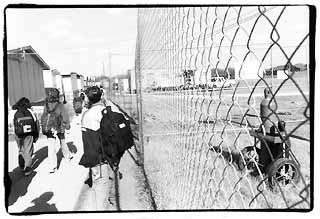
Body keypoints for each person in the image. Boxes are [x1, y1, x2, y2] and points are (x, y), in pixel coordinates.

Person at [79, 86, 114, 210]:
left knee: (97, 186)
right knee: (101, 189)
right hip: (100, 158)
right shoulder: (101, 112)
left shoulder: (87, 113)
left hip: (92, 156)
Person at [40, 88, 73, 174]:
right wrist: (67, 126)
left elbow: (43, 116)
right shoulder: (60, 105)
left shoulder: (46, 105)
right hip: (59, 127)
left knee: (51, 147)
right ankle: (67, 157)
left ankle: (52, 167)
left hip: (49, 128)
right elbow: (65, 117)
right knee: (62, 142)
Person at [12, 97, 39, 176]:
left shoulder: (14, 111)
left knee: (21, 149)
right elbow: (36, 123)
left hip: (18, 133)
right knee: (28, 150)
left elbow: (10, 123)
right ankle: (27, 168)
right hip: (29, 133)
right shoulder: (30, 111)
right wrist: (36, 135)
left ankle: (21, 165)